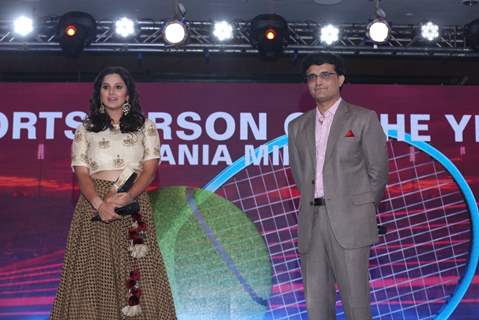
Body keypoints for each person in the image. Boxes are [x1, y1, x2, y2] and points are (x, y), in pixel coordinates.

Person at [51, 66, 176, 319]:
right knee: (91, 275)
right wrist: (100, 204)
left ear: (127, 94)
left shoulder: (145, 126)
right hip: (93, 204)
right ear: (99, 94)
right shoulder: (85, 128)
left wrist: (128, 197)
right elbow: (81, 172)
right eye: (106, 87)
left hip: (132, 201)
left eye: (118, 87)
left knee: (137, 272)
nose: (112, 92)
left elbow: (150, 169)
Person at [288, 53, 388, 320]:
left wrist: (359, 209)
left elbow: (378, 173)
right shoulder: (297, 127)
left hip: (351, 222)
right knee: (316, 306)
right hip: (311, 222)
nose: (318, 82)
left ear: (341, 79)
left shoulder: (363, 119)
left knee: (356, 306)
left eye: (325, 75)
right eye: (311, 77)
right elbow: (300, 175)